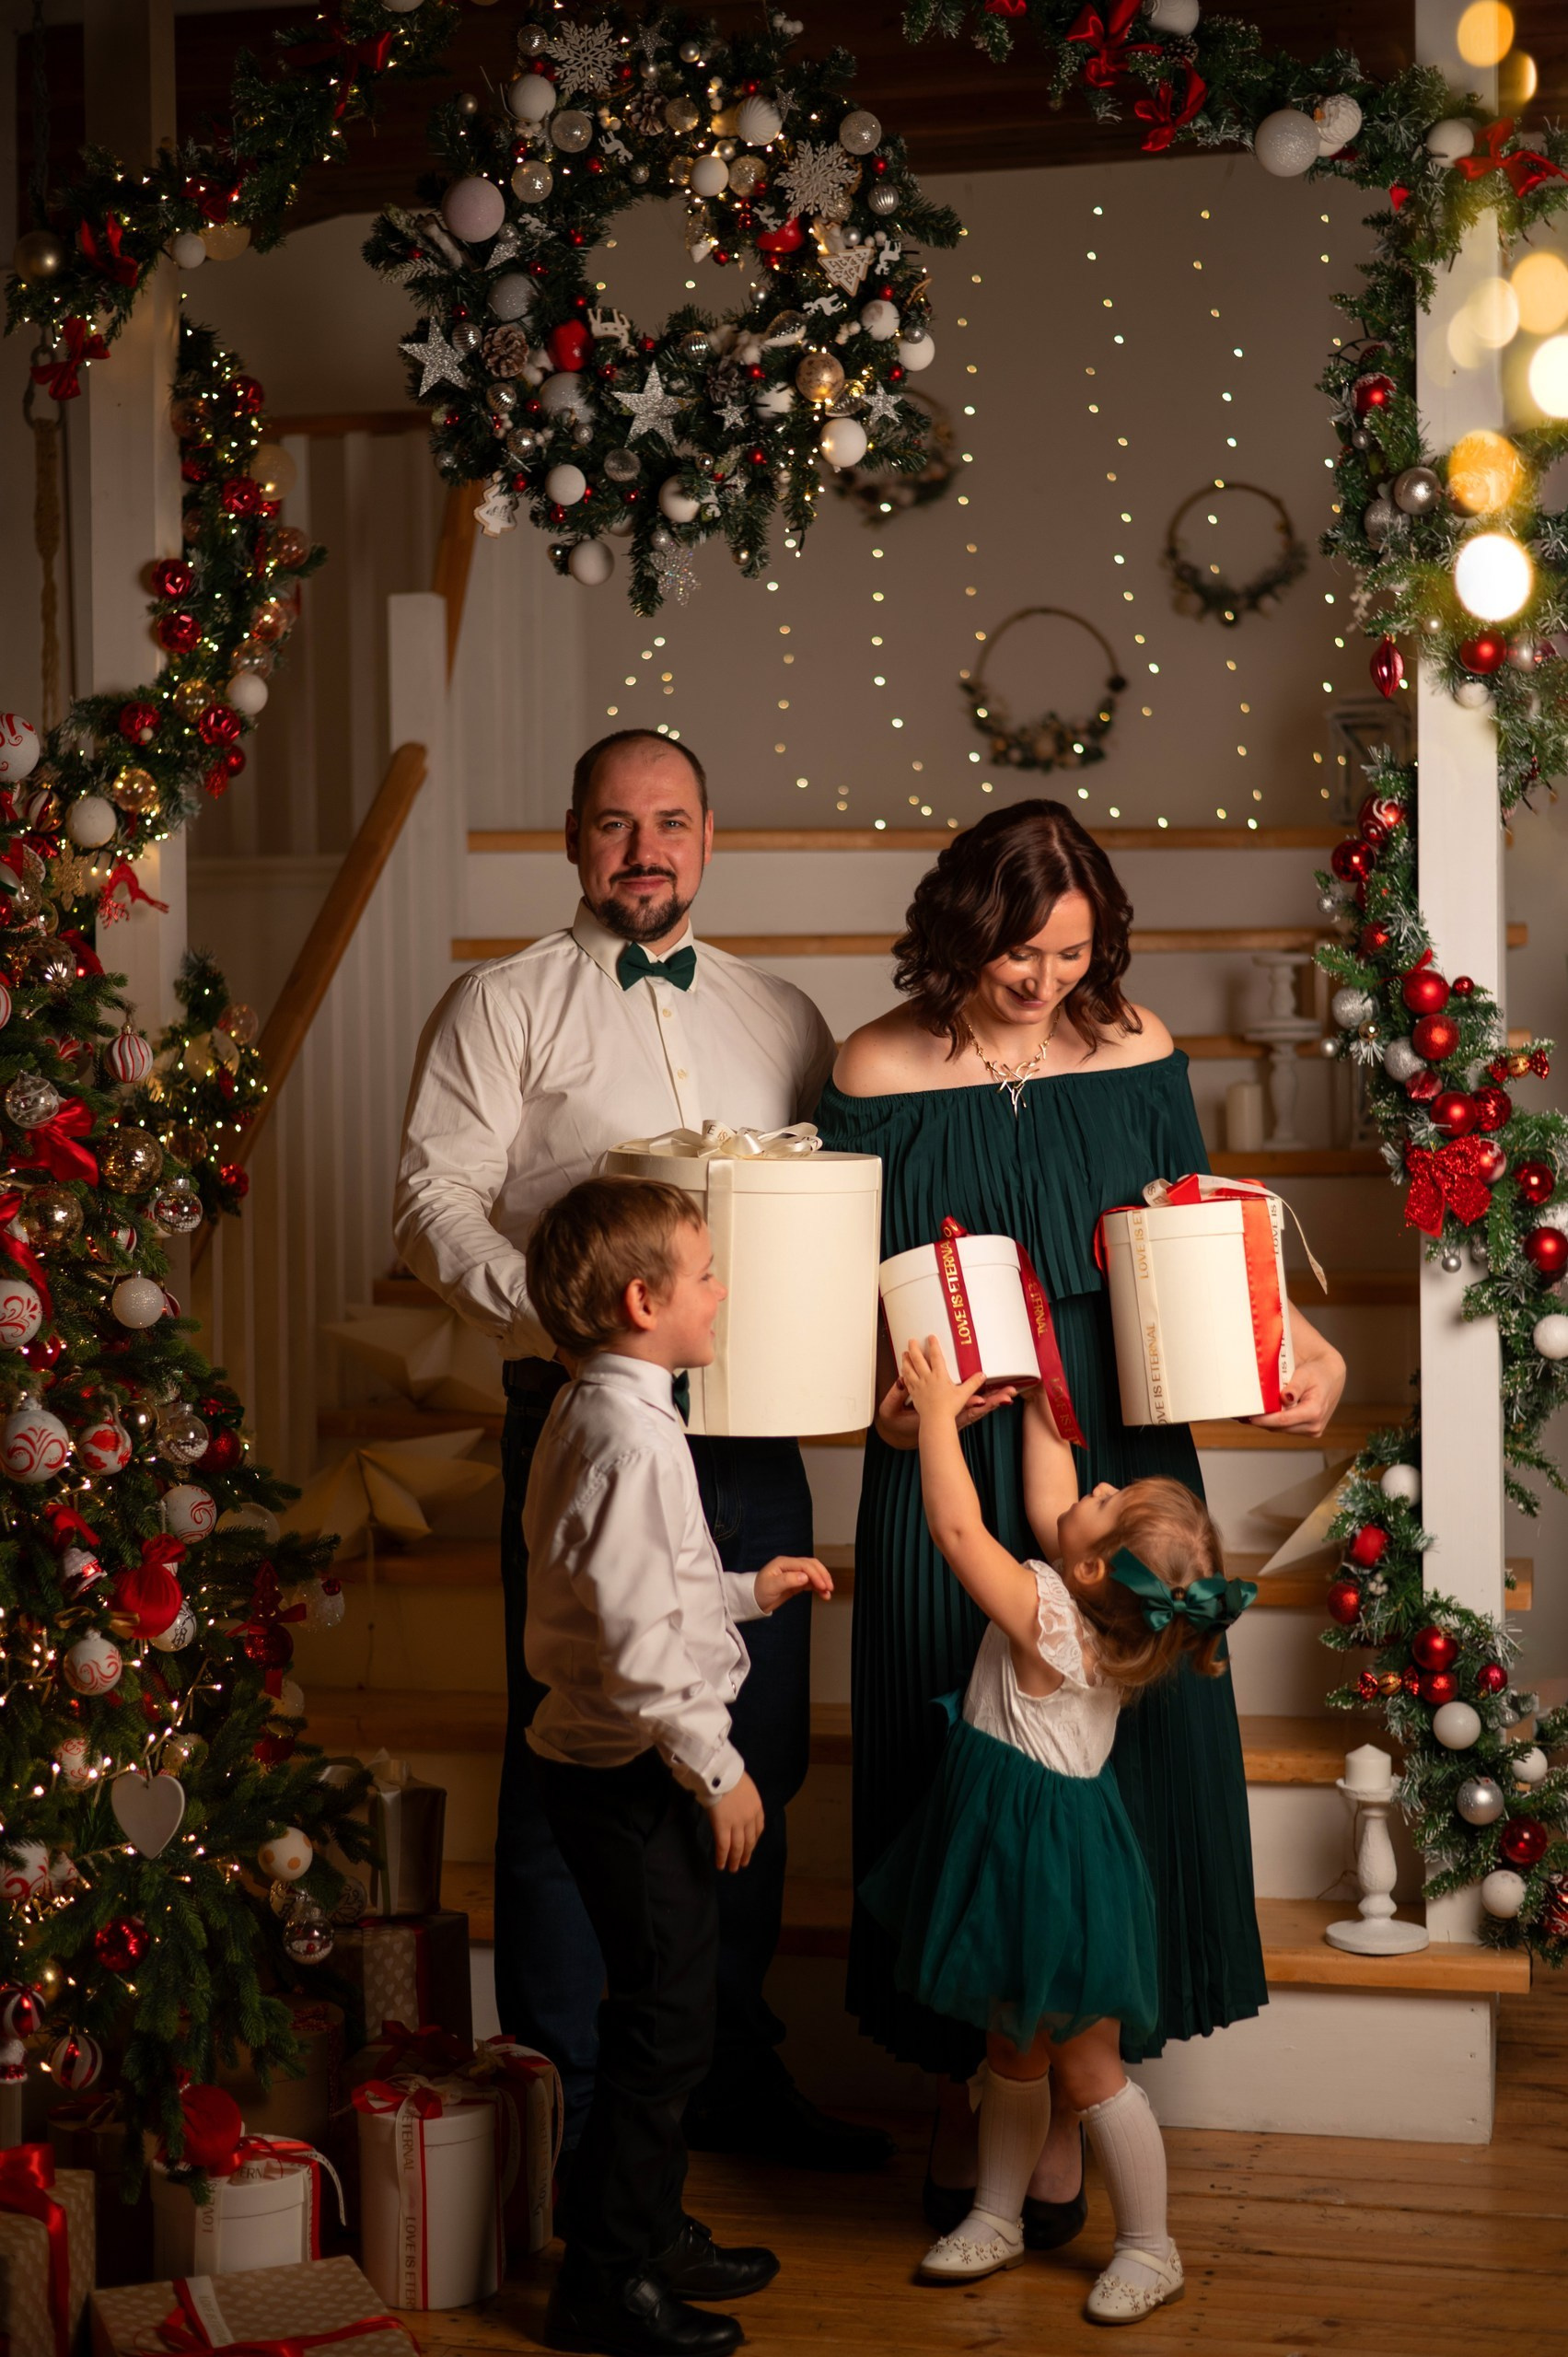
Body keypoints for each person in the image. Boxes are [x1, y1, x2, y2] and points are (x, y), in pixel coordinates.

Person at [815, 796, 1347, 2235]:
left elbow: (1193, 1215)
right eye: (1015, 951)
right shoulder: (871, 1063)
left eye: (1066, 951)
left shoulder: (1138, 1047)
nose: (1041, 980)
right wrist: (882, 1407)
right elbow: (830, 1284)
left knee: (1126, 1762)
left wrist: (1303, 1341)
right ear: (957, 925)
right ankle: (959, 2073)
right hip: (952, 1448)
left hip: (1114, 1443)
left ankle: (1071, 2090)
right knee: (956, 1763)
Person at [394, 728, 887, 2174]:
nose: (643, 849)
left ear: (708, 836)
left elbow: (827, 1216)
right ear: (571, 839)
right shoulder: (500, 1006)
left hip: (748, 1442)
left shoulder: (783, 1016)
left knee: (761, 1753)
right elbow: (437, 1201)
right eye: (615, 825)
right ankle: (572, 2105)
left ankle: (721, 2074)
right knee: (578, 1759)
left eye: (668, 821)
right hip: (582, 1426)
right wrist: (562, 1333)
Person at [863, 1335, 1254, 2321]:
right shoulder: (1104, 1609)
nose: (1099, 1482)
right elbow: (1056, 1503)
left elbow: (957, 1531)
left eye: (1107, 1501)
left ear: (1085, 1566)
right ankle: (996, 2213)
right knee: (1008, 2052)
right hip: (1013, 1851)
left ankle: (1147, 2244)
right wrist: (1045, 1396)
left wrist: (939, 1413)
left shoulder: (1045, 1613)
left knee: (1086, 2069)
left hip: (1048, 1869)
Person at [522, 1174, 833, 2357]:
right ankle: (604, 2281)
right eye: (705, 1273)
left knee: (676, 2013)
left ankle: (651, 2229)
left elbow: (649, 1585)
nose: (721, 1290)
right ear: (646, 1299)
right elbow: (643, 1643)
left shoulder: (604, 1411)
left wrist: (753, 1590)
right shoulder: (630, 1435)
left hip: (613, 1758)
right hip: (634, 1771)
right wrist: (721, 1768)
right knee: (662, 2032)